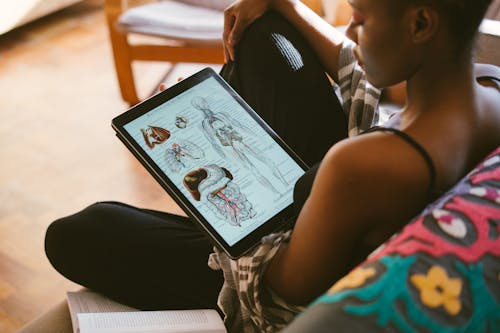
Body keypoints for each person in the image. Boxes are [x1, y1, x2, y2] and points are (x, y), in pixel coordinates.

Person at [45, 0, 500, 332]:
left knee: (79, 231)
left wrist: (212, 172)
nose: (352, 29)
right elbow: (365, 77)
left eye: (360, 17)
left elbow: (274, 300)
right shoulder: (487, 87)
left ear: (421, 23)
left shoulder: (363, 165)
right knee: (264, 32)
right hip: (342, 213)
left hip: (292, 254)